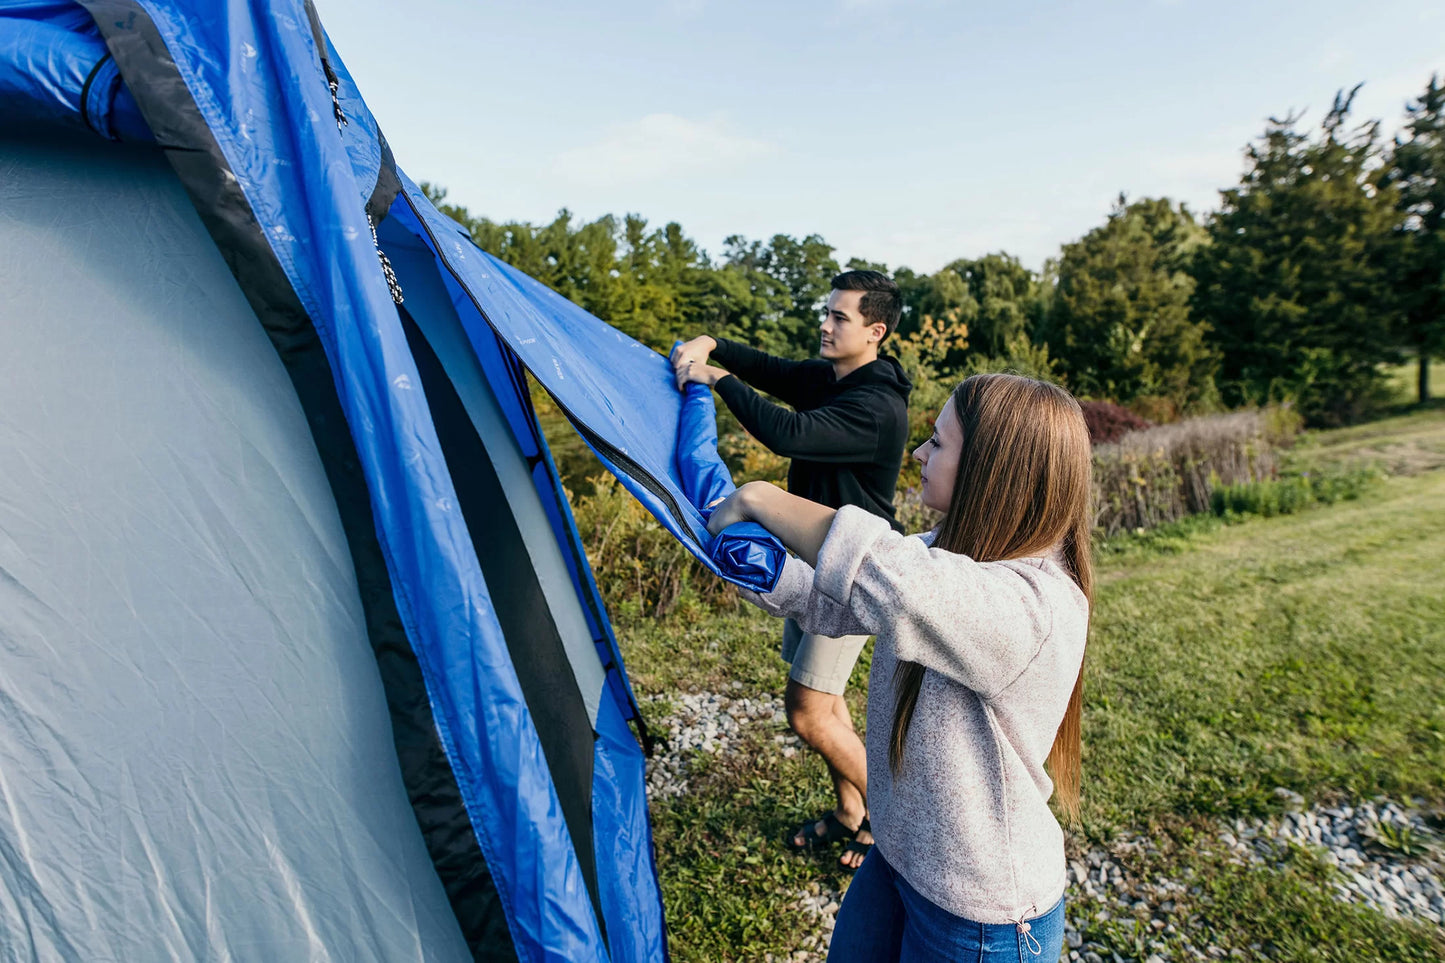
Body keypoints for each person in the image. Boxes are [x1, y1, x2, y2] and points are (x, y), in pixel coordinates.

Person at [705, 373, 1090, 962]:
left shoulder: (1037, 606)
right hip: (899, 855)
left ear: (993, 468)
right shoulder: (953, 551)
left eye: (937, 443)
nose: (918, 454)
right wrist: (752, 564)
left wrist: (762, 499)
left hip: (978, 915)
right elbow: (835, 598)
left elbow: (898, 584)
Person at [670, 270, 911, 869]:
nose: (825, 326)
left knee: (806, 715)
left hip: (851, 579)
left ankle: (891, 817)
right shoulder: (834, 378)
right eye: (825, 313)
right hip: (810, 569)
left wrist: (716, 377)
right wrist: (713, 344)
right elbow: (774, 370)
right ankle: (851, 812)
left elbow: (787, 433)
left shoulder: (874, 406)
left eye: (840, 318)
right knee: (829, 709)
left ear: (874, 330)